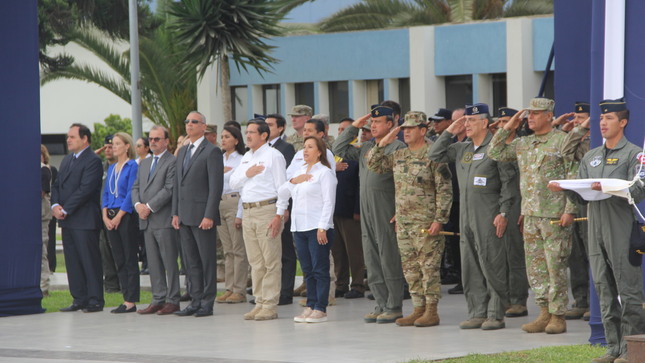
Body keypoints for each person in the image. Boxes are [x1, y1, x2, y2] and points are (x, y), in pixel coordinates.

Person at [551, 98, 645, 363]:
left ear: (623, 122)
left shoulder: (634, 154)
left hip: (622, 228)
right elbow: (582, 197)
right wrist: (568, 190)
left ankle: (632, 349)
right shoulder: (591, 157)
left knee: (627, 290)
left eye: (609, 119)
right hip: (596, 230)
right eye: (601, 119)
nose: (603, 123)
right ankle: (613, 347)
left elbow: (638, 191)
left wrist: (609, 187)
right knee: (604, 288)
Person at [488, 97, 578, 334]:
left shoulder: (562, 141)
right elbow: (494, 151)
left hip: (554, 216)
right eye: (528, 114)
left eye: (536, 114)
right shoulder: (523, 143)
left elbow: (572, 176)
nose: (530, 118)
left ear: (549, 115)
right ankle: (544, 313)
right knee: (535, 268)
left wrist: (570, 210)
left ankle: (558, 315)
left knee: (555, 266)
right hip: (530, 216)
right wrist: (509, 127)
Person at [430, 104, 516, 330]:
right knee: (470, 265)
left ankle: (495, 313)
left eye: (471, 120)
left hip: (488, 214)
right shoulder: (462, 149)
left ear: (485, 123)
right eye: (464, 120)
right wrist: (450, 131)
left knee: (492, 263)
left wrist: (504, 212)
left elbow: (509, 184)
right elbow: (434, 154)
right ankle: (477, 311)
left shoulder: (496, 148)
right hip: (466, 216)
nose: (466, 124)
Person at [369, 111, 453, 327]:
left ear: (423, 131)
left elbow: (444, 190)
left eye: (410, 129)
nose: (405, 132)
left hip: (426, 223)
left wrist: (439, 220)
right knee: (410, 269)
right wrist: (383, 143)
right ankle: (418, 308)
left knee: (429, 268)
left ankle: (432, 311)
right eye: (404, 128)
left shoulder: (434, 155)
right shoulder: (399, 155)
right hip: (404, 223)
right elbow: (374, 165)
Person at [333, 104, 407, 324]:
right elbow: (338, 149)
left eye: (377, 122)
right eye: (371, 122)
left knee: (389, 258)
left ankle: (393, 306)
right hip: (367, 210)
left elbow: (405, 182)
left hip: (386, 208)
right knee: (372, 259)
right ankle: (380, 304)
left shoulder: (398, 148)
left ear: (391, 124)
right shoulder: (366, 148)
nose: (372, 126)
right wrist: (354, 127)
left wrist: (400, 211)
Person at [230, 119, 289, 321]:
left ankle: (270, 305)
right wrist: (248, 173)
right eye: (246, 132)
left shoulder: (275, 156)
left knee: (270, 260)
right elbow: (233, 182)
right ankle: (260, 301)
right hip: (248, 211)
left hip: (267, 210)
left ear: (264, 135)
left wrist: (279, 215)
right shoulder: (246, 156)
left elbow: (283, 188)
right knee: (256, 262)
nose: (247, 136)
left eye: (252, 132)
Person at [172, 111, 224, 317]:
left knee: (206, 260)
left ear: (204, 127)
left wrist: (209, 214)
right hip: (184, 215)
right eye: (187, 121)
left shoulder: (212, 151)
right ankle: (194, 300)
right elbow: (178, 184)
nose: (189, 125)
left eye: (194, 122)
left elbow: (215, 186)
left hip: (202, 215)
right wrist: (175, 212)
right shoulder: (183, 151)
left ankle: (207, 302)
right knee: (191, 261)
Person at [280, 136, 338, 323]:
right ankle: (311, 304)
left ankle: (321, 307)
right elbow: (282, 191)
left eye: (310, 147)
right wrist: (295, 181)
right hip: (299, 227)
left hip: (317, 227)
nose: (305, 150)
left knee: (320, 268)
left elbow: (329, 202)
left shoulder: (325, 173)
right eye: (304, 147)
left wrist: (323, 227)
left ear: (319, 152)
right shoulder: (300, 171)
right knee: (307, 269)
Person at [51, 123, 104, 312]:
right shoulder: (67, 160)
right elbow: (56, 185)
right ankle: (79, 298)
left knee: (89, 260)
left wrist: (65, 209)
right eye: (68, 136)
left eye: (72, 137)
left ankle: (95, 299)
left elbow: (86, 189)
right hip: (68, 220)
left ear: (84, 139)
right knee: (72, 261)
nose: (68, 140)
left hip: (84, 219)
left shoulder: (93, 160)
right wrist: (55, 205)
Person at [131, 125, 181, 315]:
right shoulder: (144, 163)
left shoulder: (172, 162)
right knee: (153, 262)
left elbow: (169, 189)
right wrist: (138, 207)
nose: (152, 142)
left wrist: (149, 207)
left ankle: (173, 299)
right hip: (146, 221)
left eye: (157, 139)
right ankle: (158, 299)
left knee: (169, 261)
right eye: (150, 139)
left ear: (167, 141)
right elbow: (135, 187)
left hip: (162, 218)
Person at [494, 107, 530, 319]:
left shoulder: (522, 145)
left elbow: (516, 183)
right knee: (501, 255)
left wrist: (514, 210)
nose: (502, 126)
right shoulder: (496, 147)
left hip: (517, 203)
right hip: (498, 204)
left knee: (515, 254)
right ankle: (504, 298)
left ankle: (518, 300)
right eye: (499, 122)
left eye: (507, 121)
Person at [102, 132, 140, 313]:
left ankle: (131, 300)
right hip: (110, 215)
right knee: (118, 258)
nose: (113, 147)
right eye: (112, 144)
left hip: (125, 215)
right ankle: (125, 298)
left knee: (129, 257)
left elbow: (131, 193)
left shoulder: (132, 166)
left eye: (117, 143)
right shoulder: (111, 168)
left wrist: (118, 217)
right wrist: (105, 216)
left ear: (127, 146)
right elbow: (106, 194)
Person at [214, 126, 249, 304]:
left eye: (227, 137)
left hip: (234, 202)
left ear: (236, 140)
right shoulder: (218, 159)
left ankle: (239, 289)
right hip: (219, 203)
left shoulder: (242, 160)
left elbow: (244, 187)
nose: (223, 139)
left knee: (238, 249)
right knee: (227, 250)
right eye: (222, 137)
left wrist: (240, 214)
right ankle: (229, 287)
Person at [331, 118, 365, 299]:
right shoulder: (334, 154)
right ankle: (341, 283)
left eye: (345, 130)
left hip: (350, 210)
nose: (341, 133)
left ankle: (358, 284)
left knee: (354, 250)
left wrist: (357, 209)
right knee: (338, 250)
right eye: (340, 129)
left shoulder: (357, 153)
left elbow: (361, 184)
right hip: (334, 208)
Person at [266, 113, 297, 305]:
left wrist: (284, 207)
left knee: (285, 250)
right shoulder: (260, 150)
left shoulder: (285, 148)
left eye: (270, 125)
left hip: (282, 204)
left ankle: (286, 292)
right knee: (270, 251)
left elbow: (285, 178)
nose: (266, 128)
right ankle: (271, 291)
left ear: (281, 128)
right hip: (266, 205)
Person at [134, 137, 151, 275]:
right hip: (138, 206)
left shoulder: (151, 161)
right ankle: (144, 263)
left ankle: (149, 264)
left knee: (148, 239)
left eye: (140, 145)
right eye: (136, 145)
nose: (137, 148)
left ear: (146, 148)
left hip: (149, 206)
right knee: (140, 238)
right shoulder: (135, 163)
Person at [40, 145, 53, 296]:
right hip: (29, 218)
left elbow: (41, 193)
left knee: (42, 250)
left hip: (41, 216)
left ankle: (43, 287)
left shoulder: (43, 169)